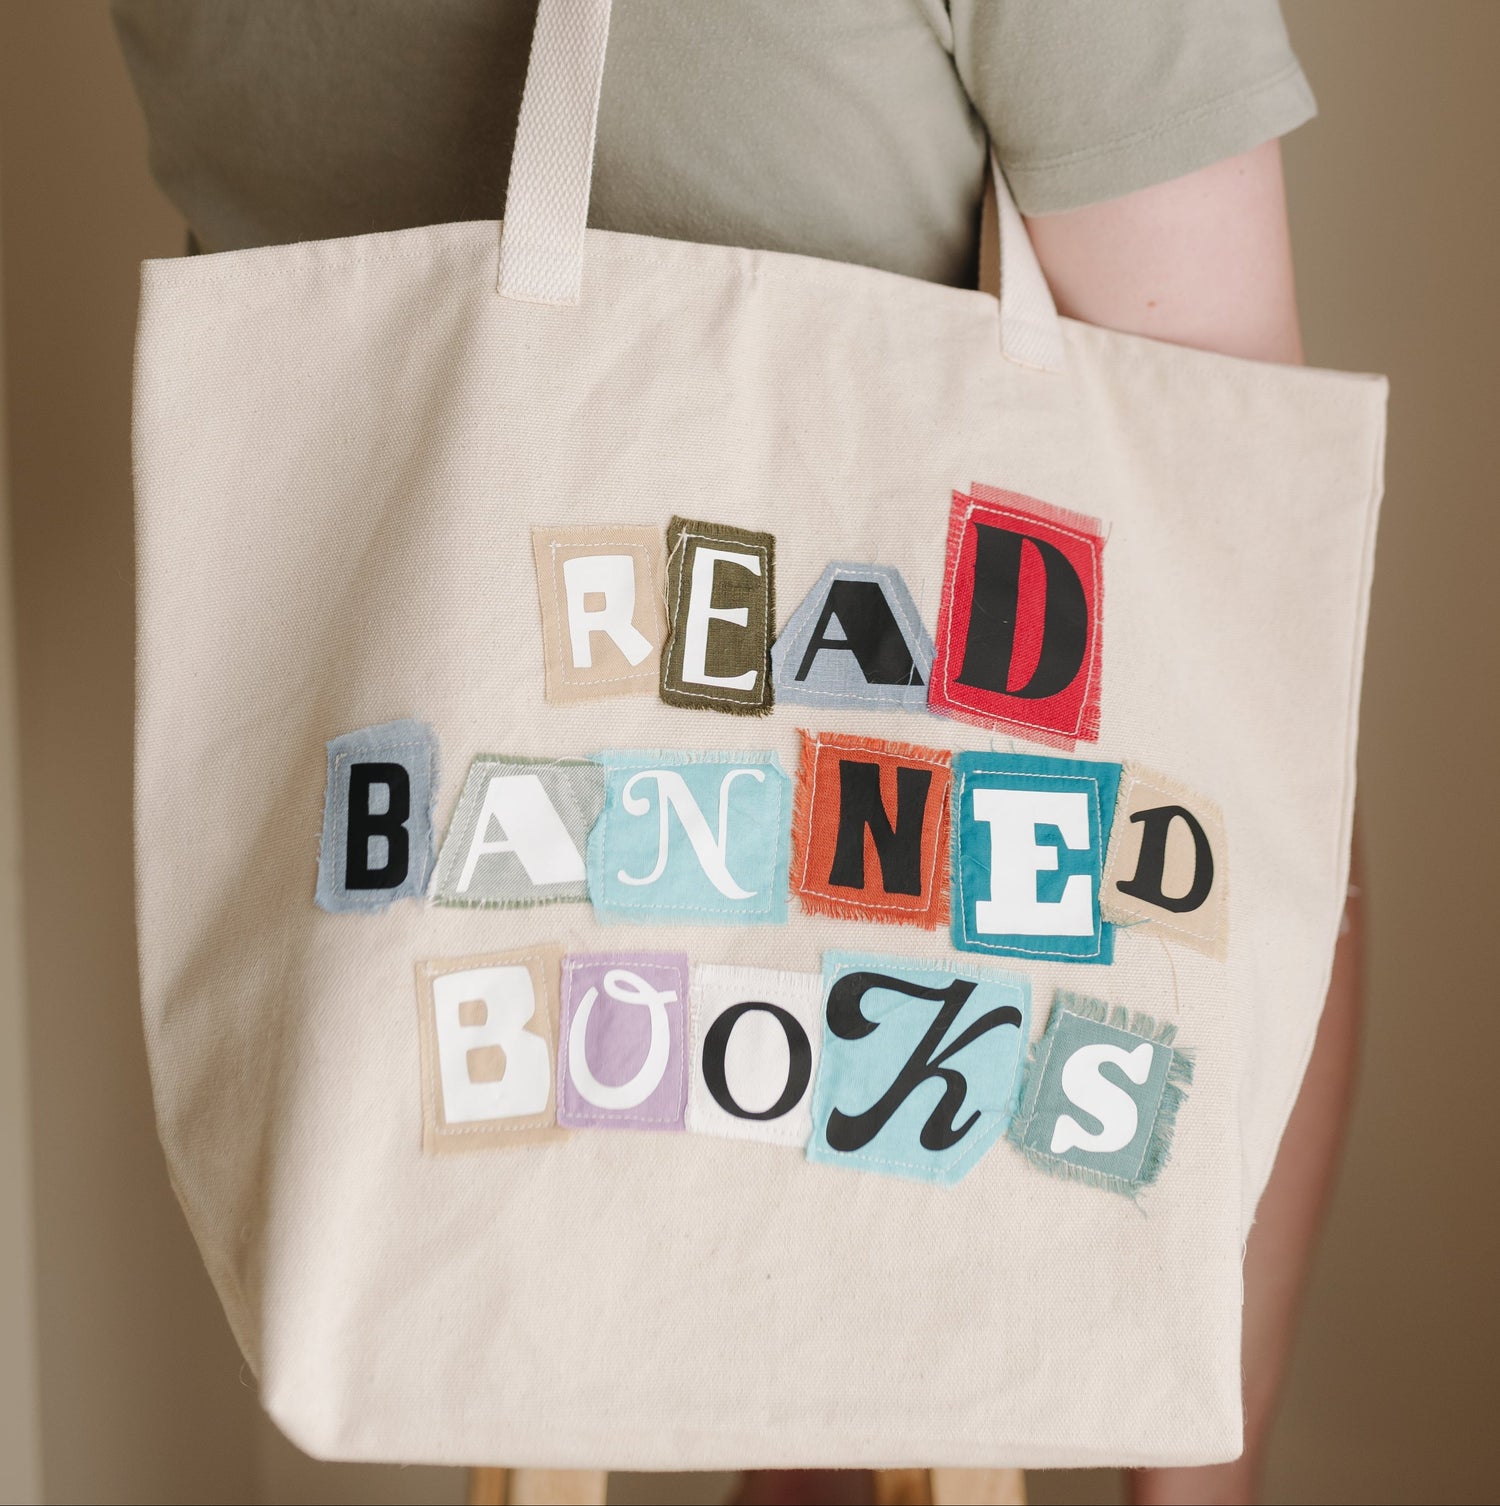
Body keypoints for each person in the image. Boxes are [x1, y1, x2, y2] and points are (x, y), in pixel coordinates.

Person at [112, 4, 1359, 1502]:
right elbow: (1210, 496)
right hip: (877, 853)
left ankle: (805, 1425)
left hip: (419, 878)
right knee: (1243, 753)